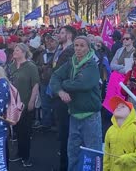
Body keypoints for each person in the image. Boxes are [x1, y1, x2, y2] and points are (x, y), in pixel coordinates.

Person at [50, 36, 103, 171]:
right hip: (74, 114)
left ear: (88, 48)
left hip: (90, 116)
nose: (78, 48)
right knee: (73, 153)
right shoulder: (70, 62)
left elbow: (83, 84)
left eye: (82, 46)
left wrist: (63, 84)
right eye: (76, 45)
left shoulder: (92, 64)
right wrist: (60, 92)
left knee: (92, 154)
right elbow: (55, 76)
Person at [8, 43, 40, 167]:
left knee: (24, 132)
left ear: (24, 52)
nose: (14, 52)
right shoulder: (11, 66)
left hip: (25, 103)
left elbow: (35, 85)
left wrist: (32, 101)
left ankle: (25, 157)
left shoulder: (31, 66)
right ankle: (19, 153)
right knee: (16, 130)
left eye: (17, 50)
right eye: (14, 50)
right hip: (12, 104)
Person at [50, 25, 76, 171]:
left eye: (62, 33)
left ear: (69, 35)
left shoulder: (71, 51)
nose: (58, 35)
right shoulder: (60, 51)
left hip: (65, 98)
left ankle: (65, 166)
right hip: (57, 95)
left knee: (66, 133)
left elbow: (62, 74)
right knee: (62, 133)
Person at [103, 96, 136, 171]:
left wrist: (127, 158)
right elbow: (106, 156)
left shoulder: (135, 129)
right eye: (116, 107)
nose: (118, 108)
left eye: (123, 106)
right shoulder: (110, 131)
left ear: (131, 113)